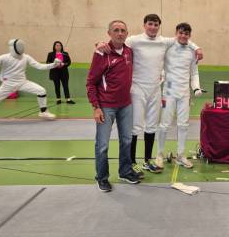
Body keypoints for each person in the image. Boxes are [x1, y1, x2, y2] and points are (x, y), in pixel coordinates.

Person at [96, 14, 202, 176]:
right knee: (136, 126)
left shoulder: (164, 41)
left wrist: (197, 48)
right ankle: (131, 162)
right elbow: (117, 42)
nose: (153, 27)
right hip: (137, 89)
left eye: (156, 24)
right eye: (150, 24)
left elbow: (183, 39)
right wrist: (100, 44)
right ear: (144, 25)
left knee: (152, 125)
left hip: (155, 90)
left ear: (159, 26)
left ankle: (147, 160)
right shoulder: (134, 40)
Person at [87, 20, 141, 192]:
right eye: (116, 30)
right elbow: (91, 82)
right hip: (106, 107)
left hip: (126, 105)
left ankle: (125, 171)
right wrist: (96, 107)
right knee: (102, 145)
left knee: (126, 140)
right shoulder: (101, 53)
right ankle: (101, 178)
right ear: (109, 33)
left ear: (127, 33)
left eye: (123, 30)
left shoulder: (129, 52)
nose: (119, 33)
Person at [156, 23, 203, 170]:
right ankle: (159, 154)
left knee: (183, 125)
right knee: (164, 124)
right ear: (176, 33)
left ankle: (181, 155)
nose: (183, 36)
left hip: (184, 94)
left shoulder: (192, 51)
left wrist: (196, 87)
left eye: (186, 34)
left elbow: (194, 73)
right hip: (169, 92)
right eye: (181, 33)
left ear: (189, 35)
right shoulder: (168, 46)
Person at [0, 39, 60, 120]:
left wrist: (54, 65)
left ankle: (43, 112)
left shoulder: (26, 57)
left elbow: (39, 66)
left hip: (22, 83)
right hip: (8, 85)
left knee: (41, 91)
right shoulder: (5, 57)